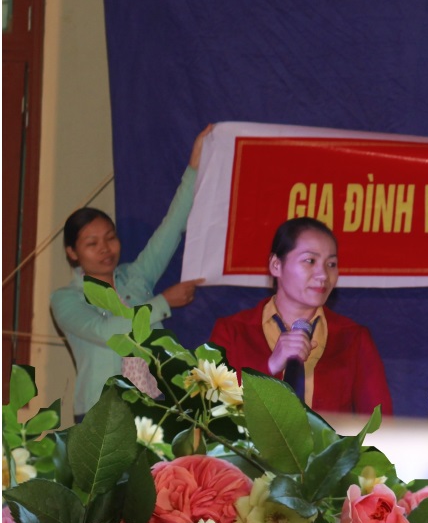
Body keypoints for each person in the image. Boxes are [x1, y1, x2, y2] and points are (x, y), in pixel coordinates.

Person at [51, 126, 212, 420]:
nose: (105, 248)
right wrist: (163, 303)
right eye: (92, 244)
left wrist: (193, 169)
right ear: (72, 252)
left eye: (110, 238)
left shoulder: (136, 277)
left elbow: (171, 228)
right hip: (103, 414)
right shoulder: (65, 299)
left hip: (158, 404)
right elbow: (107, 332)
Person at [208, 217, 392, 416]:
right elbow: (206, 411)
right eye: (310, 261)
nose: (323, 275)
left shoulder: (354, 338)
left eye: (331, 264)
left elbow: (380, 424)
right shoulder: (232, 331)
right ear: (276, 265)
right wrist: (270, 366)